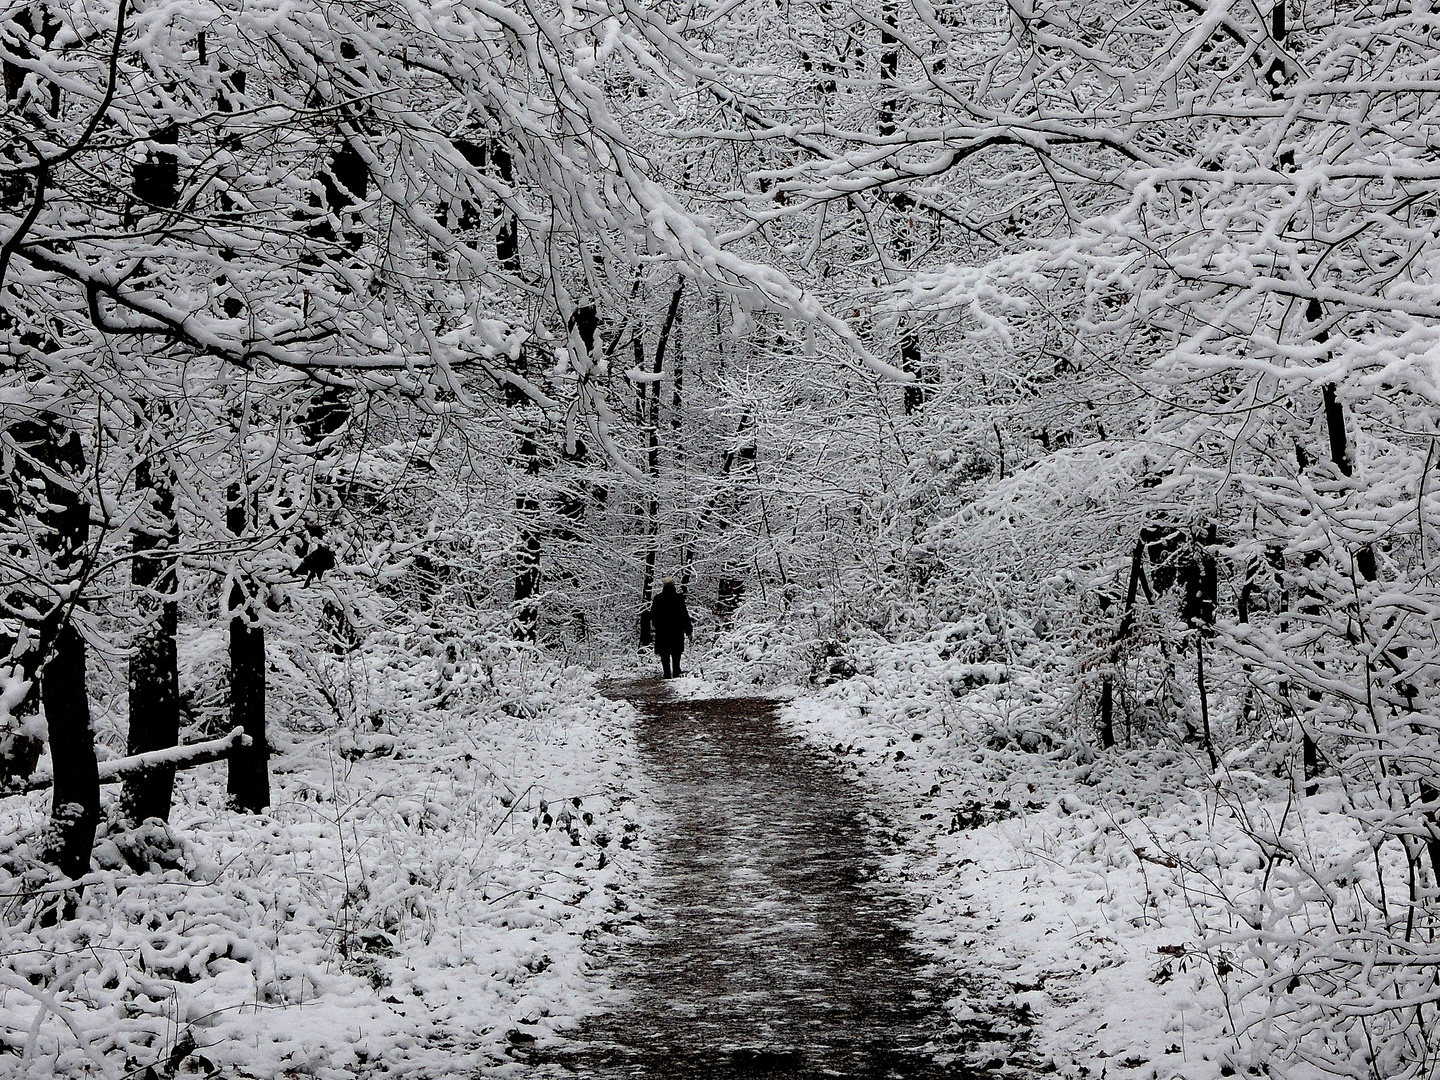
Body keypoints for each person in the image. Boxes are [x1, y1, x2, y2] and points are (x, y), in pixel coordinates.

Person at [649, 577, 693, 679]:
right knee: (676, 654)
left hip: (662, 632)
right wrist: (689, 631)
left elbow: (653, 616)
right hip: (677, 631)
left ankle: (667, 674)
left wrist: (658, 626)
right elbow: (684, 615)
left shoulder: (658, 598)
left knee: (664, 655)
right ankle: (676, 672)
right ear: (674, 586)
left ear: (663, 586)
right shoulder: (678, 598)